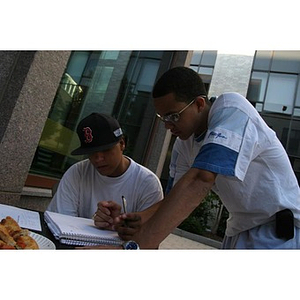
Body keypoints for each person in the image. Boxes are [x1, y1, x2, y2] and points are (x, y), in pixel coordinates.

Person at [102, 66, 300, 249]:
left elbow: (201, 179)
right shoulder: (183, 144)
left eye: (173, 116)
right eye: (163, 118)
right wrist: (139, 218)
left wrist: (135, 246)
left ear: (199, 104)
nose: (168, 126)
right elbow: (174, 199)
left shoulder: (232, 109)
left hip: (280, 230)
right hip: (239, 231)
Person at [46, 112, 163, 230]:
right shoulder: (77, 173)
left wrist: (120, 225)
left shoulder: (148, 183)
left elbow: (150, 239)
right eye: (92, 152)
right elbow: (59, 224)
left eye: (106, 149)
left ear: (122, 144)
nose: (98, 159)